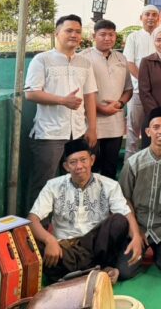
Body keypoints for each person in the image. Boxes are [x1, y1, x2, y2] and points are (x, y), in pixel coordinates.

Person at [28, 139, 143, 283]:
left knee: (118, 221)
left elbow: (126, 214)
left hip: (97, 245)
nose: (79, 166)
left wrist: (136, 237)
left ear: (92, 160)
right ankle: (95, 270)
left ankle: (74, 273)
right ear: (66, 166)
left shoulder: (109, 185)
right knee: (32, 247)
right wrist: (49, 240)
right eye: (73, 162)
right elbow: (32, 219)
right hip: (66, 248)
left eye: (83, 160)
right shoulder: (53, 186)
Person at [25, 14, 98, 206]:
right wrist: (62, 101)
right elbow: (31, 93)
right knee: (44, 185)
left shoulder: (85, 63)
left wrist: (92, 128)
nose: (74, 35)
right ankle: (38, 224)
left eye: (78, 31)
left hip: (78, 134)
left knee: (75, 182)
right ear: (56, 33)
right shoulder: (42, 60)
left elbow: (90, 96)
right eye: (69, 30)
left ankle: (66, 222)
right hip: (49, 134)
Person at [118, 107, 161, 279]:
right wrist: (135, 233)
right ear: (148, 132)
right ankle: (143, 249)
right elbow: (125, 199)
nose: (160, 131)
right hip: (139, 226)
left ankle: (160, 253)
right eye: (156, 127)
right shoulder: (133, 163)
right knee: (124, 271)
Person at [79, 19, 133, 179]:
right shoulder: (83, 58)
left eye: (111, 35)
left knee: (110, 167)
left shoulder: (121, 58)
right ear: (94, 36)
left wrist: (120, 103)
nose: (107, 38)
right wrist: (101, 108)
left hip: (115, 124)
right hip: (91, 124)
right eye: (103, 34)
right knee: (89, 168)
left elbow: (128, 89)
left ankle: (108, 195)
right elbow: (80, 92)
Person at [123, 5, 160, 159]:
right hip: (137, 91)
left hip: (157, 93)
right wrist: (145, 83)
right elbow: (130, 63)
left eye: (154, 15)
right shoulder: (134, 37)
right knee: (133, 131)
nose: (150, 18)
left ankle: (149, 164)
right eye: (147, 14)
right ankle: (128, 167)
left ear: (158, 18)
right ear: (141, 18)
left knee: (154, 130)